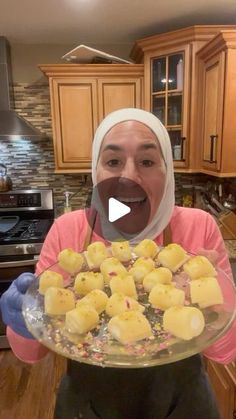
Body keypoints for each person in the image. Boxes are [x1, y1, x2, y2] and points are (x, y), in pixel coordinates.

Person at [1, 108, 235, 419]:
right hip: (88, 405)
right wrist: (25, 323)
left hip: (184, 403)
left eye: (147, 161)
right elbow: (33, 354)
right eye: (113, 162)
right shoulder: (69, 229)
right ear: (95, 171)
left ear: (168, 170)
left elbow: (224, 353)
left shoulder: (198, 227)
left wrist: (217, 299)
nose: (129, 176)